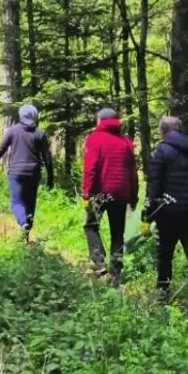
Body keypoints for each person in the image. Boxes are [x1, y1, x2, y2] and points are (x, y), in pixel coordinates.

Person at [140, 116, 188, 321]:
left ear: (163, 131)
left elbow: (154, 186)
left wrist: (147, 214)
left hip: (169, 214)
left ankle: (163, 295)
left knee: (164, 254)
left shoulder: (160, 152)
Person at [81, 108, 139, 287]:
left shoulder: (94, 139)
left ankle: (99, 264)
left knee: (91, 226)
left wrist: (86, 193)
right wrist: (133, 197)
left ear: (100, 121)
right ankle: (116, 276)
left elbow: (90, 168)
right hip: (121, 194)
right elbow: (133, 173)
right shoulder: (126, 143)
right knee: (117, 233)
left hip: (100, 193)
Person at [0, 105, 54, 241]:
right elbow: (47, 158)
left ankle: (23, 224)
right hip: (33, 173)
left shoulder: (13, 131)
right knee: (30, 204)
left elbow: (0, 150)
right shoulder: (40, 134)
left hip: (16, 173)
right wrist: (50, 178)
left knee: (16, 202)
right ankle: (26, 234)